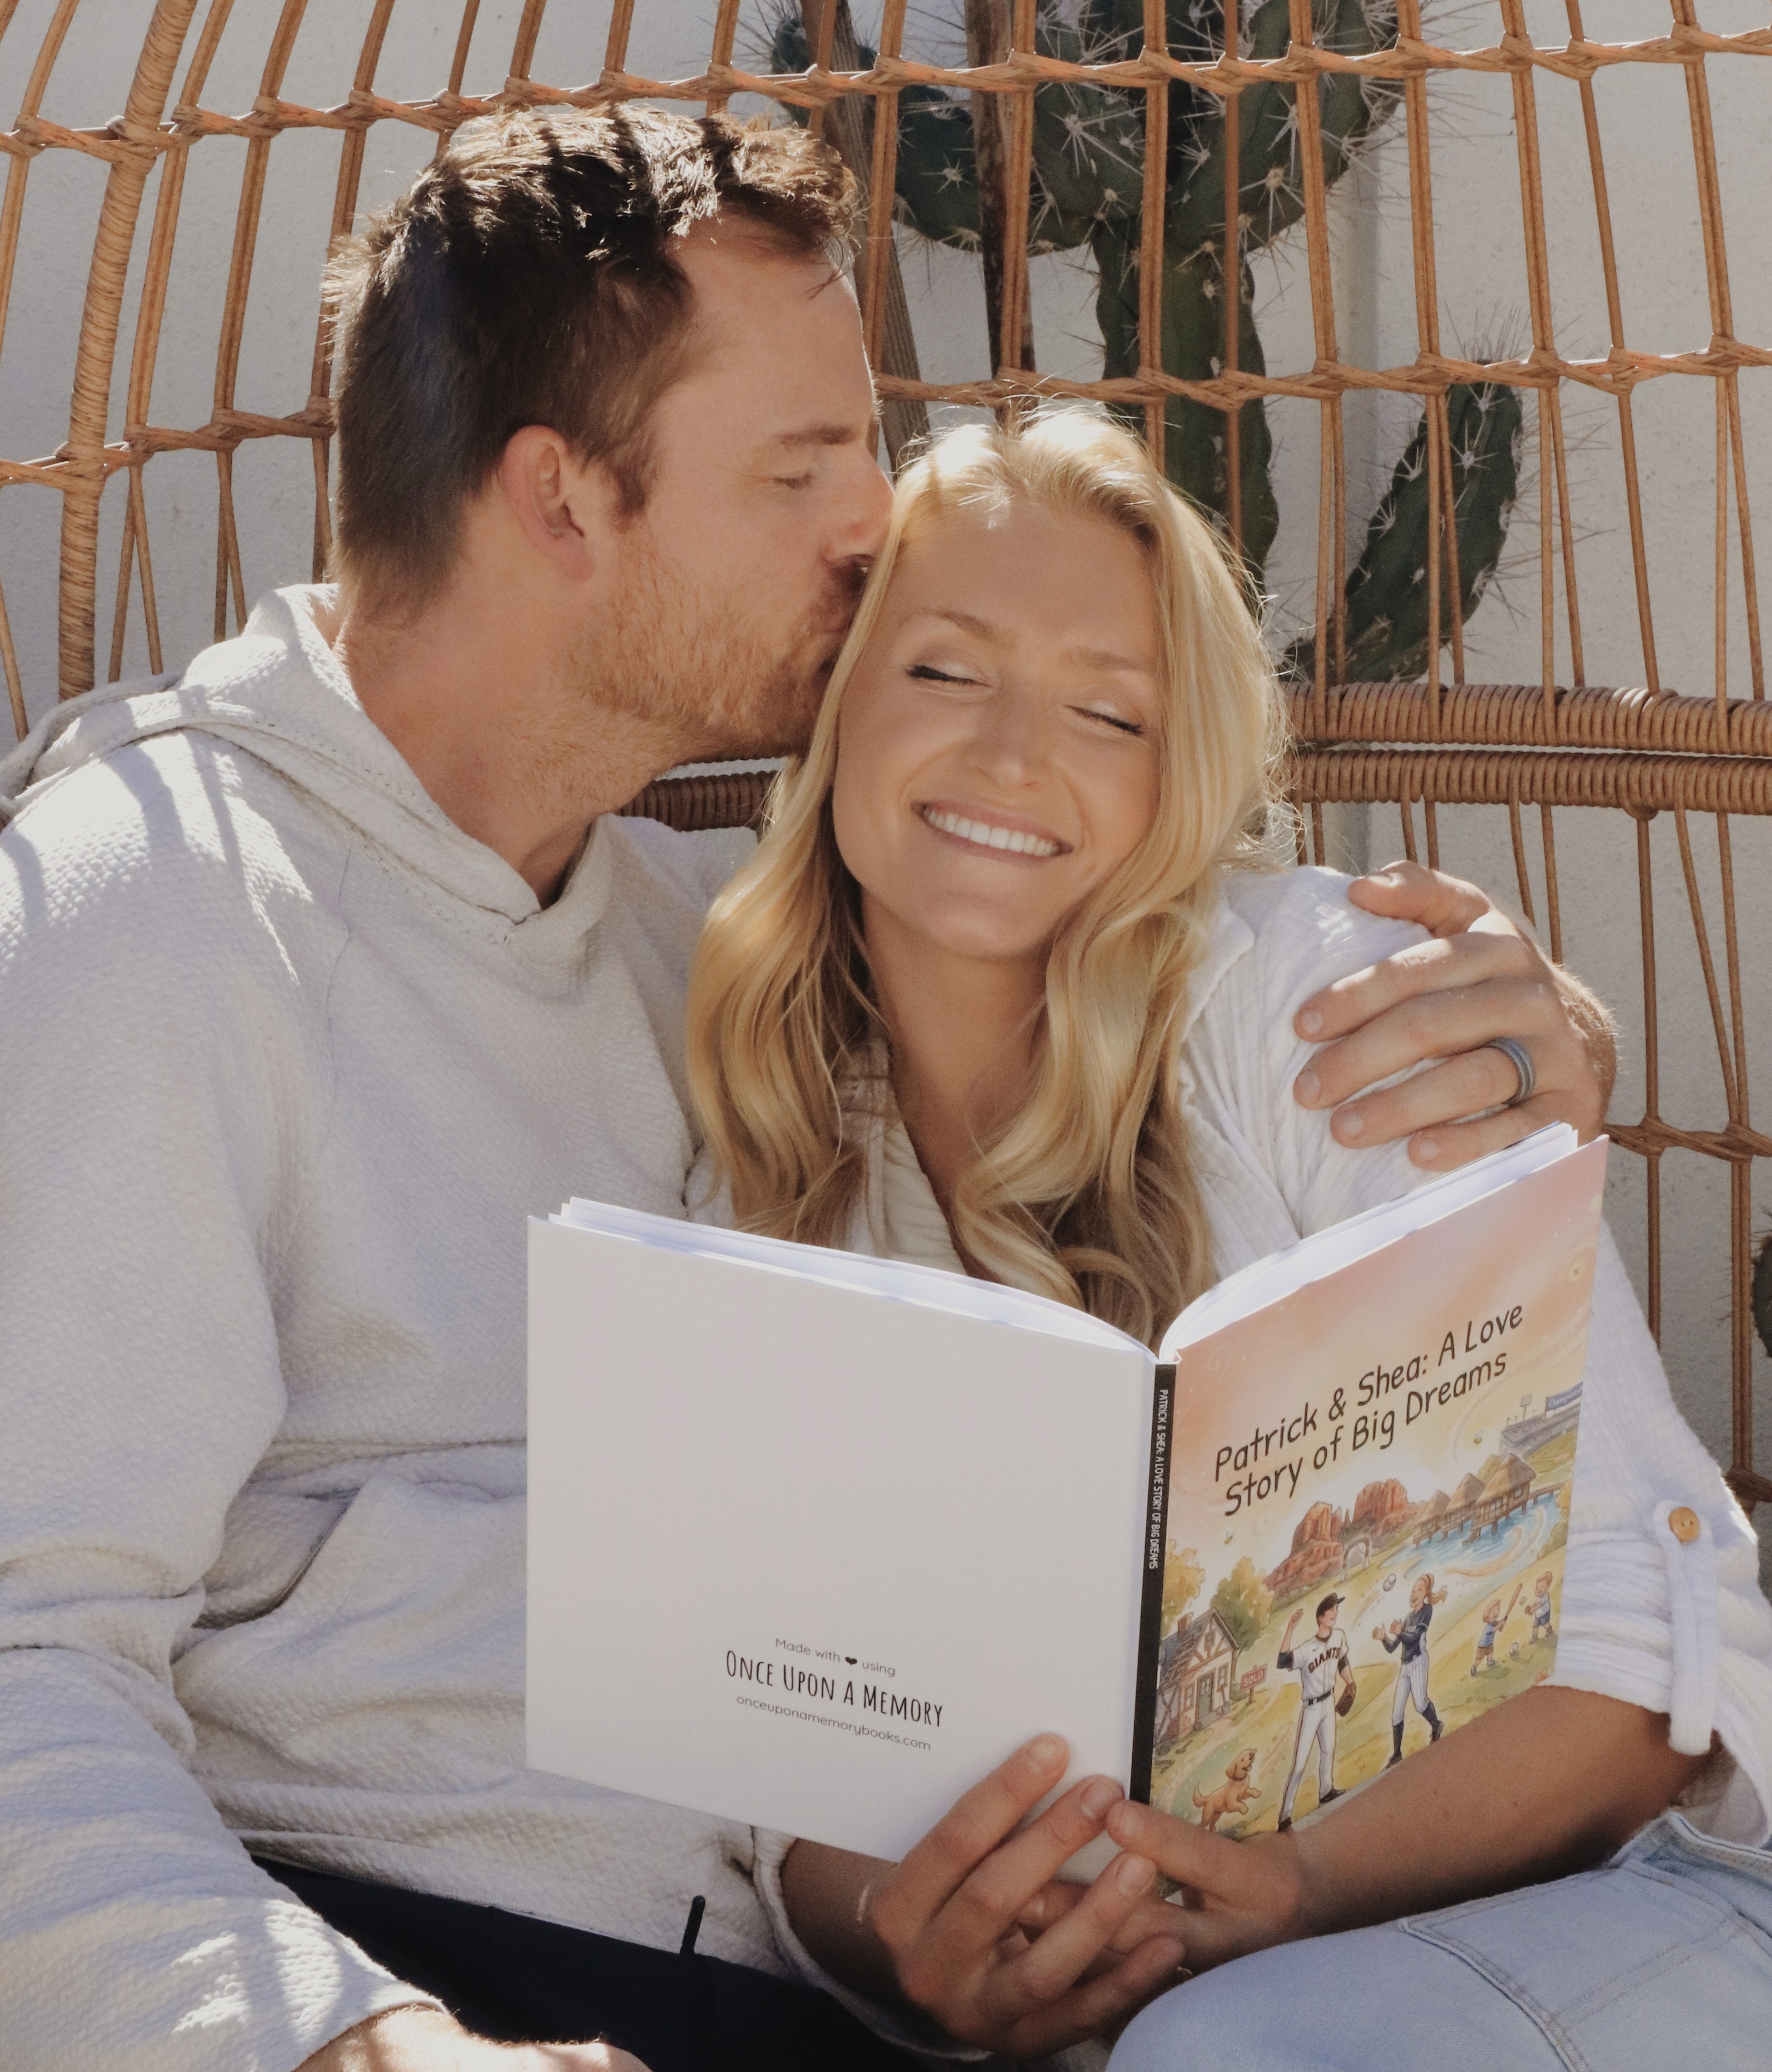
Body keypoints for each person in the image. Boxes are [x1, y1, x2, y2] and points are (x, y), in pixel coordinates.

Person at [0, 104, 1628, 2072]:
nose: (878, 518)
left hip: (847, 1984)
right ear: (561, 502)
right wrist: (349, 2042)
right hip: (448, 1965)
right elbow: (22, 1656)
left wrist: (1504, 1039)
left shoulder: (700, 943)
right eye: (802, 467)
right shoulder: (148, 915)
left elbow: (1094, 932)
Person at [683, 410, 1772, 2066]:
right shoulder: (765, 1134)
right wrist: (916, 1950)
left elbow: (1649, 1667)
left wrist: (1291, 1886)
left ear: (1176, 769)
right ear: (831, 698)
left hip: (1639, 1894)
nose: (1010, 753)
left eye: (1104, 708)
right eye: (941, 670)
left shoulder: (1320, 1010)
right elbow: (775, 1749)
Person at [1274, 1597, 1357, 1831]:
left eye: (1337, 1609)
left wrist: (1350, 1682)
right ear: (1320, 1617)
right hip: (1311, 1708)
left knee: (1328, 1749)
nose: (1335, 1612)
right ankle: (1285, 1815)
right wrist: (1290, 1628)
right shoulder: (1306, 1649)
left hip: (1329, 1702)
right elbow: (1282, 1661)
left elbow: (1342, 1661)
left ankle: (1326, 1792)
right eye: (1331, 1610)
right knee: (1300, 1764)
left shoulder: (1339, 1636)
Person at [1376, 1571, 1447, 1765]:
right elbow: (1392, 1648)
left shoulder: (1427, 1611)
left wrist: (1401, 1631)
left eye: (1420, 1589)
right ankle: (1397, 1754)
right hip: (1405, 1667)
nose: (1415, 1592)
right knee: (1397, 1712)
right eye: (1414, 1588)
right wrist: (1384, 1638)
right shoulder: (1407, 1618)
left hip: (1418, 1662)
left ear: (1426, 1594)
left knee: (1421, 1704)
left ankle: (1437, 1725)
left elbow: (1415, 1639)